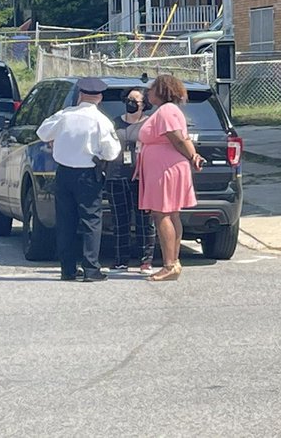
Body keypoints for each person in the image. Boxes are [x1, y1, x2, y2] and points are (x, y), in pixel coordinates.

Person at [38, 77, 121, 282]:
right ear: (99, 97)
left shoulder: (65, 116)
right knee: (91, 221)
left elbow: (42, 132)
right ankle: (91, 269)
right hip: (88, 175)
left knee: (66, 221)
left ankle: (67, 270)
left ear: (80, 95)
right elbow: (111, 153)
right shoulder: (102, 121)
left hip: (64, 173)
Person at [136, 74, 204, 282]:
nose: (148, 93)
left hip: (165, 168)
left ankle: (169, 264)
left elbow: (177, 139)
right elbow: (183, 138)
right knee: (171, 213)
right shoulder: (170, 111)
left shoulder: (166, 111)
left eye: (151, 89)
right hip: (166, 166)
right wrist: (194, 156)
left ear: (161, 91)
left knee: (162, 214)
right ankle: (173, 261)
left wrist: (192, 156)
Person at [106, 87, 155, 272]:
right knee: (120, 221)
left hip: (140, 178)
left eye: (136, 100)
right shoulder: (115, 123)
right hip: (115, 176)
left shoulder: (149, 124)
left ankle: (146, 260)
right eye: (129, 99)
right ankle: (120, 260)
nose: (131, 103)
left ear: (144, 104)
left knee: (144, 221)